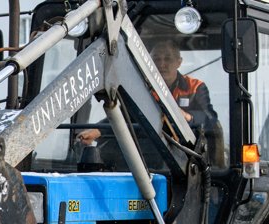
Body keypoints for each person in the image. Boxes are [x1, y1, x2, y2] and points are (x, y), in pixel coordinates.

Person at [77, 40, 218, 146]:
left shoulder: (195, 87)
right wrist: (97, 131)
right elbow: (125, 116)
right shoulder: (141, 89)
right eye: (157, 59)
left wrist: (187, 116)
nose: (162, 64)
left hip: (187, 154)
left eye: (167, 59)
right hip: (149, 151)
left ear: (178, 62)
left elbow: (210, 119)